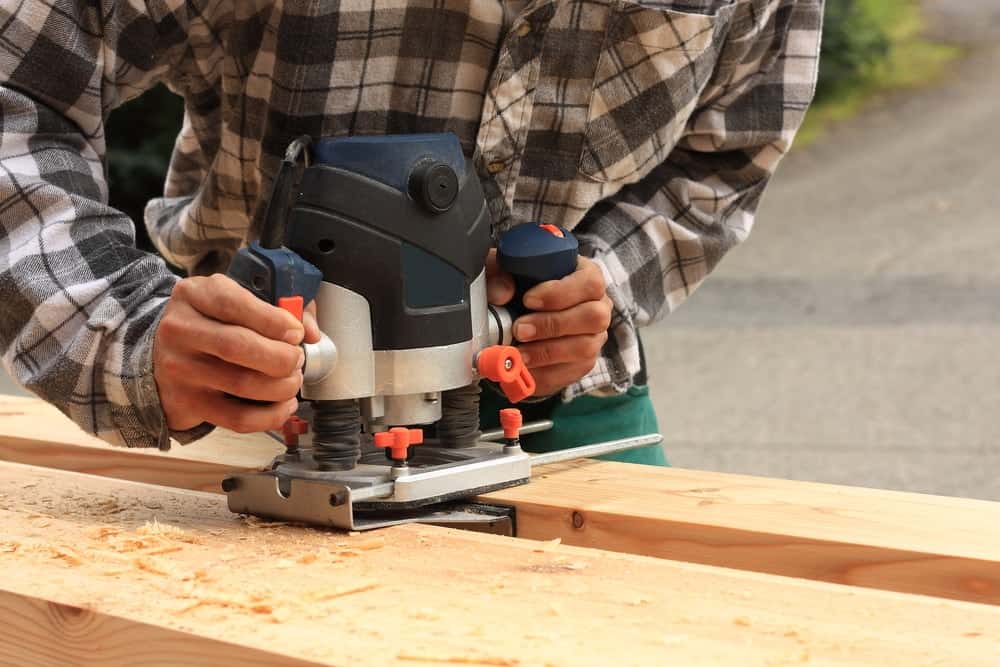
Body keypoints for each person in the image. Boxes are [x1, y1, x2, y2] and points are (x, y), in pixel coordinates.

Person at [0, 1, 823, 464]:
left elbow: (732, 142)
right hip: (255, 406)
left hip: (566, 412)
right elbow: (18, 91)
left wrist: (599, 280)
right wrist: (128, 333)